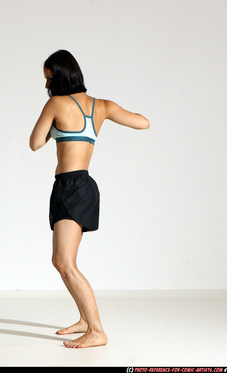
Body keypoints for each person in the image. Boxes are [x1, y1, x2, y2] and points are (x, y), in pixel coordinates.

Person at [29, 50, 149, 348]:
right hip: (85, 185)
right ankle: (84, 319)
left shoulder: (55, 103)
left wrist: (55, 125)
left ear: (60, 77)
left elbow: (34, 143)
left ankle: (96, 331)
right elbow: (143, 122)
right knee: (65, 261)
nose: (47, 86)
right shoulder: (102, 106)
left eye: (49, 79)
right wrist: (105, 116)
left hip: (68, 186)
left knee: (63, 262)